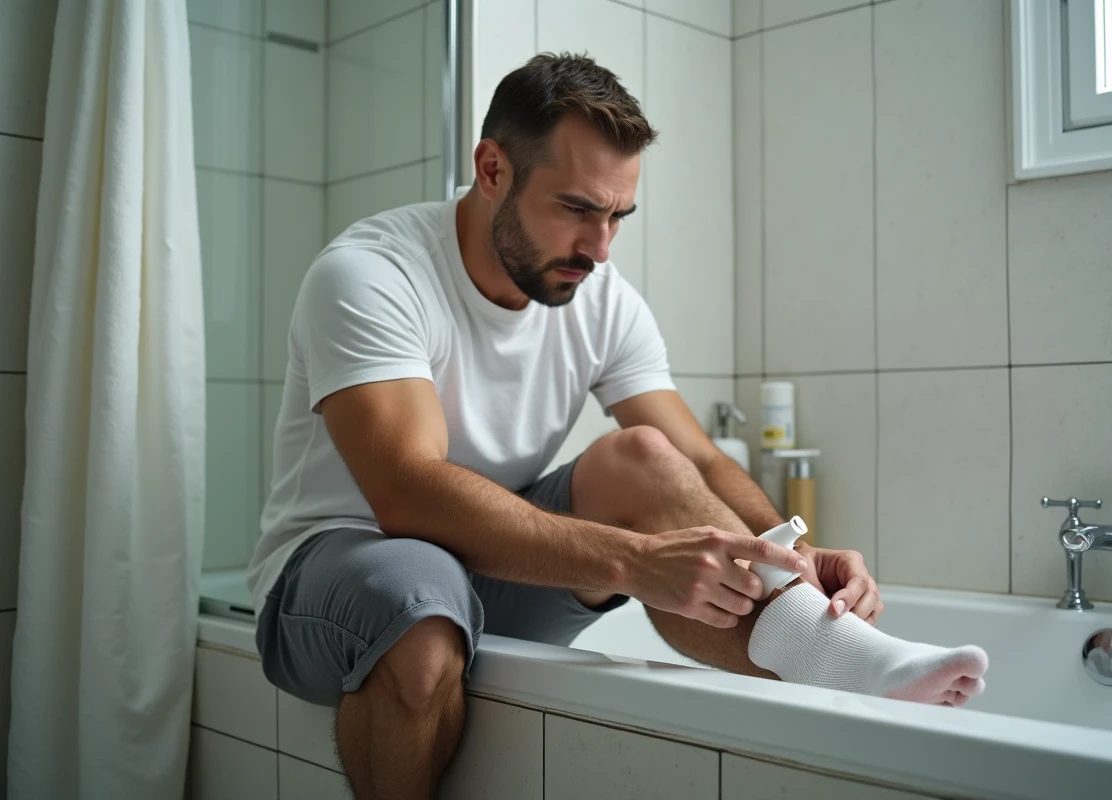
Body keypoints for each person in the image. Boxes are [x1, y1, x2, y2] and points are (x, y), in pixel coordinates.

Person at [247, 52, 988, 800]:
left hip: (493, 570)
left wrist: (786, 550)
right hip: (344, 566)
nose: (599, 248)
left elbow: (694, 455)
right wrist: (632, 562)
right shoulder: (374, 276)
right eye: (575, 208)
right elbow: (407, 492)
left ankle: (837, 652)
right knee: (421, 598)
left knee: (644, 456)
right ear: (492, 167)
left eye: (617, 217)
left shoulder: (599, 296)